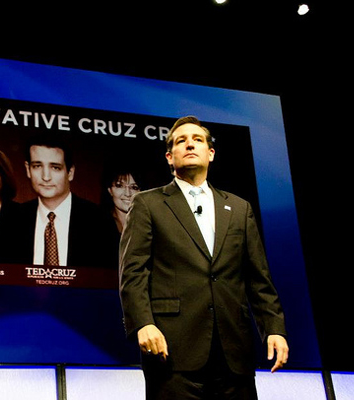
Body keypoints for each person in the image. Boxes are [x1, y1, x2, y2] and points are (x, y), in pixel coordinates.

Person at [119, 116, 289, 399]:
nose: (190, 145)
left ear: (211, 153)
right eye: (181, 141)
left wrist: (274, 329)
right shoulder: (147, 203)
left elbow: (258, 278)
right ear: (169, 157)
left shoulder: (239, 208)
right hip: (172, 350)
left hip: (234, 351)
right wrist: (143, 323)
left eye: (197, 140)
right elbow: (133, 272)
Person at [18, 134, 119, 268]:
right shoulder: (13, 219)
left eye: (55, 167)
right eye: (37, 166)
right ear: (28, 169)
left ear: (70, 172)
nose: (46, 177)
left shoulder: (99, 220)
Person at [101, 165, 144, 234]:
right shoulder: (98, 223)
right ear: (110, 190)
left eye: (134, 187)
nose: (127, 194)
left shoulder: (150, 225)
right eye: (119, 186)